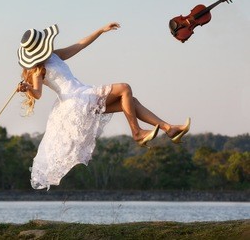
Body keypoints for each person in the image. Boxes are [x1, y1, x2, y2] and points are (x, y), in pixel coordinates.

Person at [16, 22, 190, 190]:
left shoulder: (55, 55)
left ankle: (169, 129)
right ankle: (137, 133)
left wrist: (101, 30)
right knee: (124, 88)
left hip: (83, 94)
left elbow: (80, 45)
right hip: (76, 101)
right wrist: (28, 88)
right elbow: (37, 94)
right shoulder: (38, 70)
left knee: (130, 102)